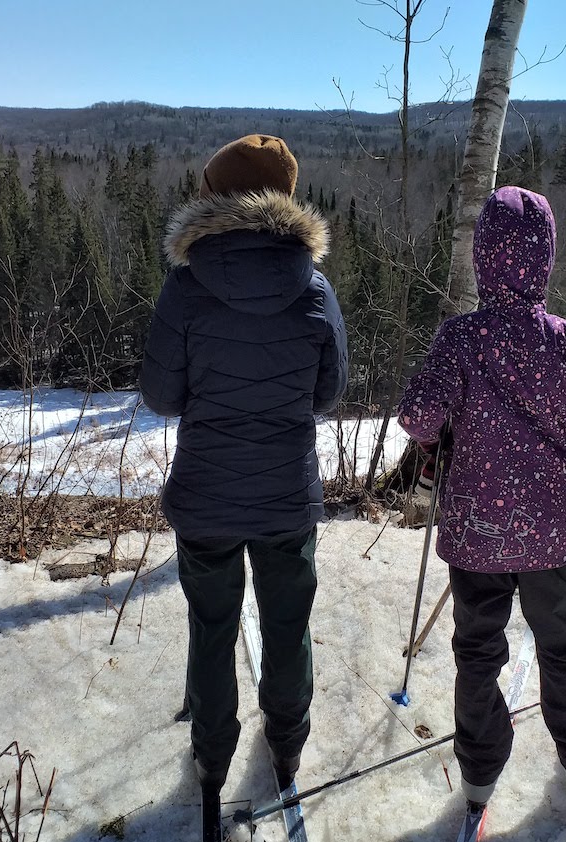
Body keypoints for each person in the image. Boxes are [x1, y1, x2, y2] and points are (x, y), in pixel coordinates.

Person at [396, 186, 566, 808]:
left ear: (482, 257)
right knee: (563, 646)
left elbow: (418, 417)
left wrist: (450, 427)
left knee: (478, 653)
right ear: (546, 257)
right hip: (551, 533)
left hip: (475, 532)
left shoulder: (461, 338)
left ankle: (479, 770)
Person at [139, 134, 348, 792]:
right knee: (288, 623)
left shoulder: (185, 287)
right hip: (287, 492)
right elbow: (329, 394)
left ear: (216, 197)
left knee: (212, 625)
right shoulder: (315, 289)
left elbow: (161, 395)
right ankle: (287, 741)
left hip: (206, 492)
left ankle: (212, 751)